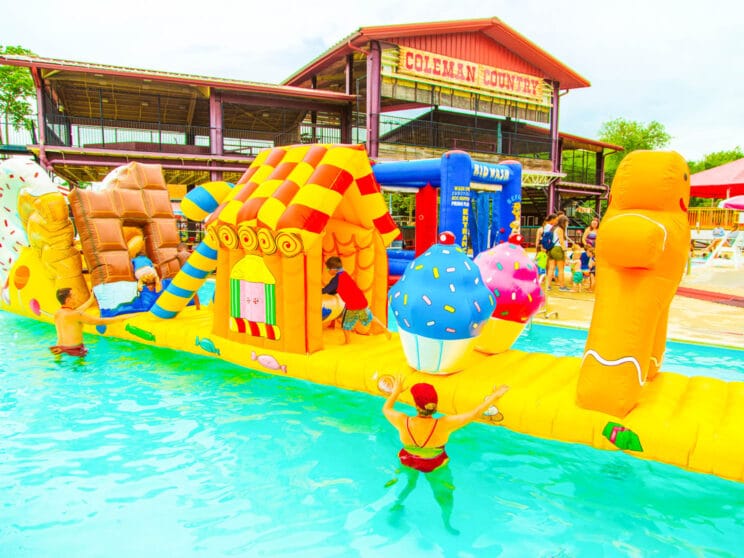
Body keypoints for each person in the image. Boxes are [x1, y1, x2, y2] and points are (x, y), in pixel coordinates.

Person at [382, 376, 509, 533]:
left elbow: (386, 409)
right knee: (444, 495)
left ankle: (396, 505)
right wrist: (495, 396)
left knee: (408, 485)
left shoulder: (402, 420)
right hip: (435, 465)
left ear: (415, 404)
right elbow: (474, 414)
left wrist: (395, 392)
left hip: (408, 460)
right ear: (435, 404)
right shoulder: (444, 424)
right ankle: (447, 524)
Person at [322, 256, 391, 344]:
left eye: (328, 269)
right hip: (361, 301)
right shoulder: (344, 274)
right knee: (370, 317)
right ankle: (384, 328)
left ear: (334, 269)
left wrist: (319, 291)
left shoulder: (337, 279)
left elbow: (328, 289)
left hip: (352, 305)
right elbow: (336, 289)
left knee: (345, 326)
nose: (327, 271)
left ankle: (347, 341)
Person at [50, 288, 128, 357]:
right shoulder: (76, 314)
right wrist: (121, 318)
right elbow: (100, 321)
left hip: (59, 349)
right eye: (74, 296)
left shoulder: (58, 313)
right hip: (74, 351)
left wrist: (91, 299)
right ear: (68, 300)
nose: (77, 297)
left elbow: (76, 312)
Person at [545, 215, 571, 292]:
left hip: (551, 249)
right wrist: (566, 254)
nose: (567, 224)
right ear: (564, 222)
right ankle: (562, 286)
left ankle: (548, 286)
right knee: (561, 269)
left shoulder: (553, 228)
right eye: (567, 222)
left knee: (551, 268)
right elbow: (561, 241)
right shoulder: (560, 229)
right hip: (558, 249)